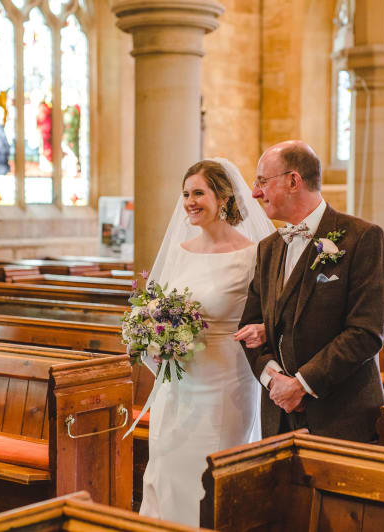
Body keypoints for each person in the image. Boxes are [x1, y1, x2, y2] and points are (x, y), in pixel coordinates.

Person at [139, 158, 274, 526]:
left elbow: (270, 315)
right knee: (166, 465)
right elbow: (157, 308)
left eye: (199, 192)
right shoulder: (180, 251)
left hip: (225, 380)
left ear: (224, 197)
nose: (189, 201)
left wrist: (262, 329)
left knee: (210, 472)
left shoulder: (254, 254)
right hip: (178, 381)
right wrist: (152, 336)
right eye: (185, 194)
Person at [235, 140, 384, 442]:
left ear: (293, 181)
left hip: (341, 416)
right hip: (278, 416)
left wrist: (302, 384)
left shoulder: (362, 238)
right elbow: (248, 326)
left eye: (262, 182)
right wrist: (272, 380)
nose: (256, 193)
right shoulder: (268, 249)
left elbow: (366, 332)